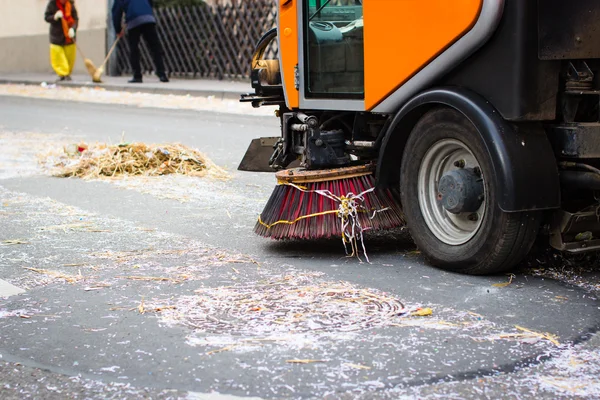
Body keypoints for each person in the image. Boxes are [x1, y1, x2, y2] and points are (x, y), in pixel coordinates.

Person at [112, 0, 169, 83]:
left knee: (134, 48)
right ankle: (162, 74)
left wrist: (118, 30)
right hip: (148, 18)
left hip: (133, 20)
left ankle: (137, 76)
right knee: (155, 47)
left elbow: (116, 13)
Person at [44, 0, 78, 82]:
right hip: (56, 35)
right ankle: (63, 74)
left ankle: (67, 74)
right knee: (57, 55)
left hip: (69, 36)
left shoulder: (70, 5)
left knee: (70, 56)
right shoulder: (52, 4)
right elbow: (46, 17)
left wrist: (73, 29)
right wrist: (54, 17)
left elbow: (75, 19)